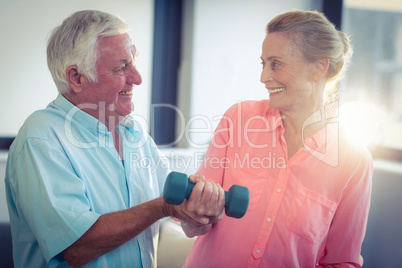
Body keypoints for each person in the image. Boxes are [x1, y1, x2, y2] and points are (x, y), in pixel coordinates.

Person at [5, 10, 225, 268]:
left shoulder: (135, 134)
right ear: (76, 78)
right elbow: (77, 246)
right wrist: (163, 207)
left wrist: (196, 213)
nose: (138, 78)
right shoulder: (41, 138)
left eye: (133, 62)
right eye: (122, 67)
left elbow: (178, 213)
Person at [183, 10, 373, 268]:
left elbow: (342, 261)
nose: (263, 78)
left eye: (276, 63)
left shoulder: (354, 161)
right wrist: (195, 214)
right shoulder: (238, 119)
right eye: (263, 64)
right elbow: (193, 224)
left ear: (319, 67)